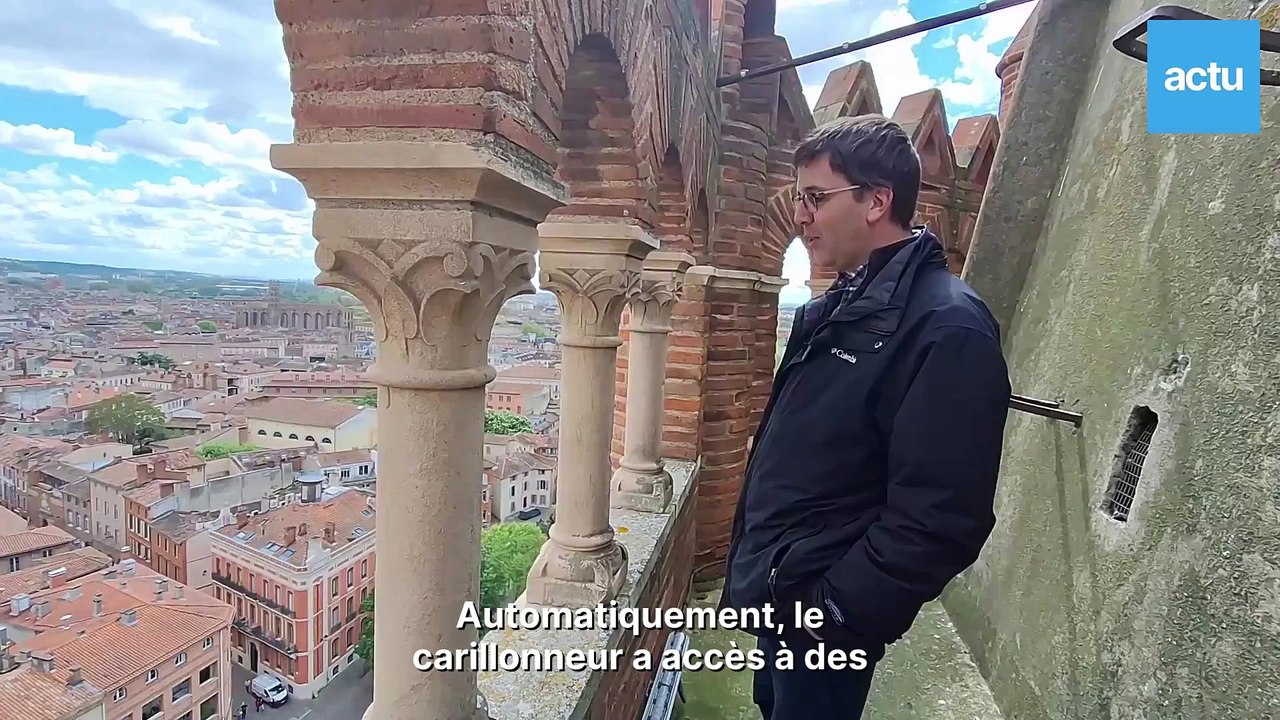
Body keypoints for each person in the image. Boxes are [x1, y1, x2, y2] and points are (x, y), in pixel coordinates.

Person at [720, 114, 1012, 719]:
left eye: (816, 198)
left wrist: (835, 612)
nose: (802, 216)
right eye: (800, 198)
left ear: (877, 200)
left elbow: (943, 516)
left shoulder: (947, 324)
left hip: (825, 611)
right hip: (789, 588)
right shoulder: (845, 305)